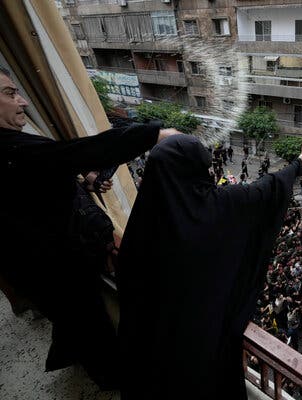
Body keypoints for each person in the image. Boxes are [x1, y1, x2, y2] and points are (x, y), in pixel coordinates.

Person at [0, 66, 182, 389]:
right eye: (10, 93)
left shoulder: (15, 151)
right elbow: (76, 153)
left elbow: (40, 188)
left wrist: (88, 180)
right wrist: (153, 134)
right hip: (55, 272)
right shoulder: (10, 149)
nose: (23, 101)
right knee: (92, 334)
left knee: (79, 327)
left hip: (48, 269)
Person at [116, 136, 302, 399]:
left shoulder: (144, 217)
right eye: (206, 166)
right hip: (198, 343)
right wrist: (298, 164)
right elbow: (267, 189)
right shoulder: (219, 205)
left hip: (149, 344)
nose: (211, 172)